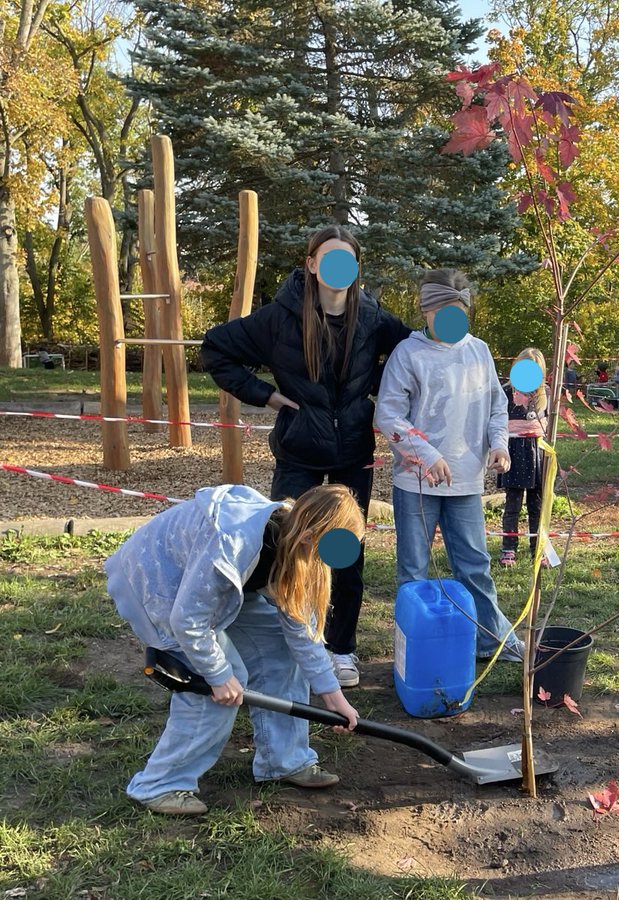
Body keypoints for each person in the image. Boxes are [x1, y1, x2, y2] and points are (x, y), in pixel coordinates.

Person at [201, 225, 412, 689]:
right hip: (298, 453)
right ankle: (289, 645)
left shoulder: (374, 318)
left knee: (342, 553)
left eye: (348, 259)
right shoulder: (279, 318)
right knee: (289, 548)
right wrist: (267, 396)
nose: (339, 267)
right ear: (312, 264)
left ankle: (340, 650)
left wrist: (382, 396)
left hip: (352, 455)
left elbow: (412, 356)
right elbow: (216, 349)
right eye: (329, 258)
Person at [105, 483, 364, 816]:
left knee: (281, 649)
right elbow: (187, 619)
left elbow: (302, 633)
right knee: (220, 682)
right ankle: (160, 784)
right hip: (156, 586)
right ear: (310, 537)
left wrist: (333, 696)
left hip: (210, 592)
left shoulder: (292, 544)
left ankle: (284, 761)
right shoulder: (234, 542)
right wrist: (217, 674)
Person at [375, 268, 524, 662]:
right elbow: (389, 416)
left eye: (458, 312)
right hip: (416, 483)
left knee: (475, 566)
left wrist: (499, 444)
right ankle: (414, 649)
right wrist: (428, 455)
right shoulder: (408, 355)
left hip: (466, 482)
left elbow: (497, 404)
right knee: (414, 572)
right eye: (441, 312)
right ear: (426, 312)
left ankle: (490, 640)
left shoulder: (480, 350)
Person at [498, 347, 549, 566]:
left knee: (536, 505)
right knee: (513, 504)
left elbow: (549, 425)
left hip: (536, 453)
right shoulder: (506, 393)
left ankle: (537, 548)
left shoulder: (545, 394)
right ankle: (509, 549)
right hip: (514, 453)